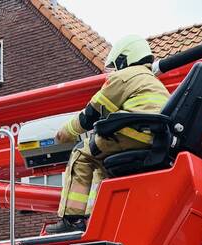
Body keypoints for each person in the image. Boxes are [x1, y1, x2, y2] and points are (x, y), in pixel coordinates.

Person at [49, 34, 170, 234]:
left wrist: (64, 134)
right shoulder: (155, 83)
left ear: (124, 58)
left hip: (132, 135)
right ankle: (100, 216)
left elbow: (90, 115)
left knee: (81, 153)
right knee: (101, 163)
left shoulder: (124, 77)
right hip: (154, 140)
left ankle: (72, 220)